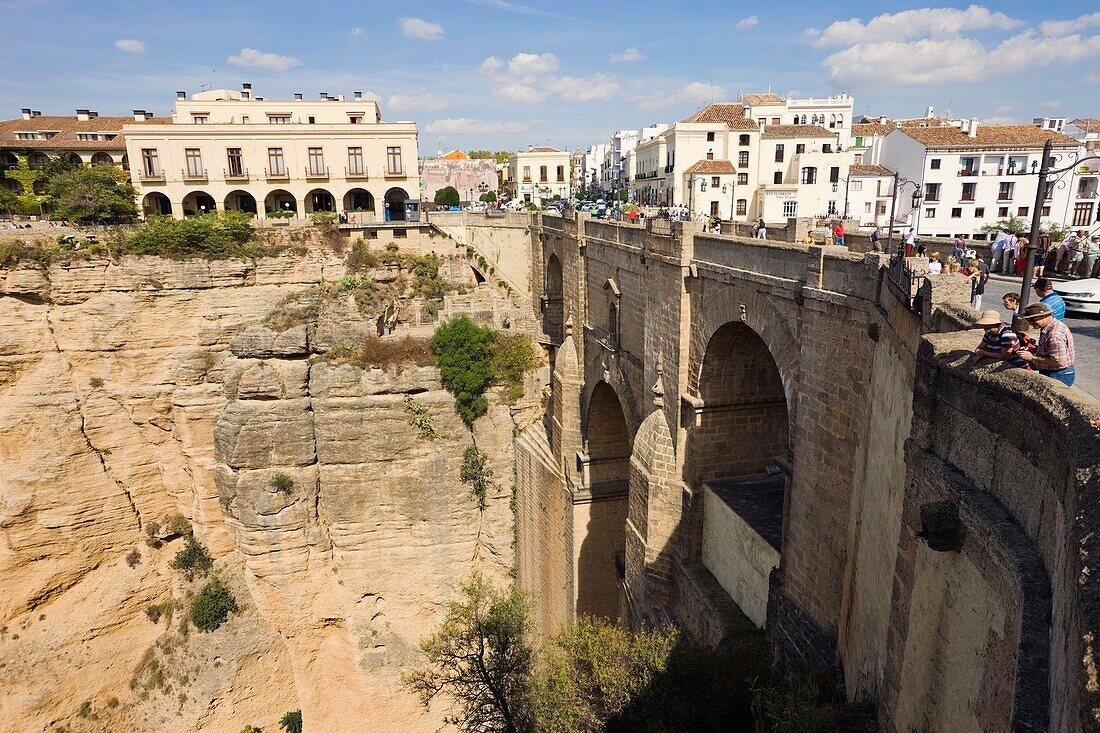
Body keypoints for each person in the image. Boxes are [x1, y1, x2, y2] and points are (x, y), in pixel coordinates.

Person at [1018, 302, 1076, 386]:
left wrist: (1031, 357)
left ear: (1045, 316)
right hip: (1056, 372)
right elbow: (1050, 350)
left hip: (1057, 374)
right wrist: (1034, 349)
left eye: (1033, 319)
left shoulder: (1054, 335)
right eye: (1028, 320)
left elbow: (1059, 362)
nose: (1030, 323)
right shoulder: (1052, 326)